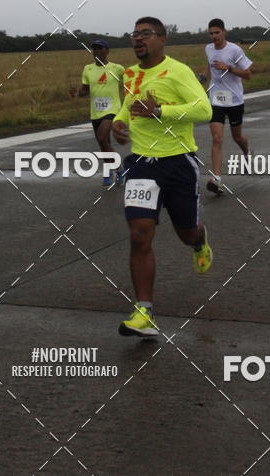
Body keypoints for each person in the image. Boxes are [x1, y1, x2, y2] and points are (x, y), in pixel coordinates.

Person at [112, 17, 213, 337]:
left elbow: (204, 110)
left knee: (187, 233)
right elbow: (129, 105)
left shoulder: (178, 72)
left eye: (146, 34)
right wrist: (118, 121)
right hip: (142, 164)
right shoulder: (129, 74)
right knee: (140, 234)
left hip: (177, 163)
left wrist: (160, 112)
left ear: (162, 39)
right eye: (134, 34)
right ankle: (145, 313)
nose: (138, 39)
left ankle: (200, 241)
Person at [203, 18, 253, 195]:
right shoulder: (208, 49)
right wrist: (203, 77)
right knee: (217, 138)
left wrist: (228, 68)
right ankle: (216, 180)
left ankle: (247, 154)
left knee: (237, 137)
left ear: (224, 32)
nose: (214, 36)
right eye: (211, 33)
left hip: (235, 100)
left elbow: (248, 74)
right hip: (216, 99)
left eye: (217, 32)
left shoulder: (234, 50)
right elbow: (209, 67)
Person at [71, 39, 125, 186]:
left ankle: (119, 169)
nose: (96, 51)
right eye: (94, 49)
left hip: (112, 110)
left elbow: (130, 83)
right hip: (95, 112)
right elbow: (85, 90)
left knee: (102, 137)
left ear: (107, 51)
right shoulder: (88, 69)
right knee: (104, 144)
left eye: (100, 48)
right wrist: (77, 93)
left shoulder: (117, 68)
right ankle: (109, 172)